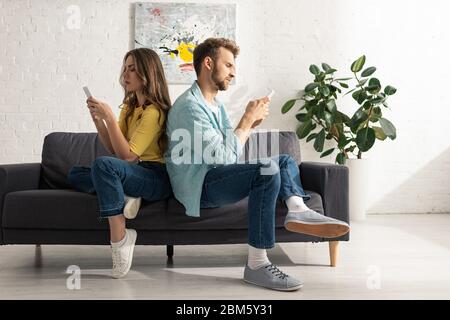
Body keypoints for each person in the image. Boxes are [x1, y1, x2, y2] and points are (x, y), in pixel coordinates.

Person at [165, 38, 350, 291]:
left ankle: (298, 208)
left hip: (214, 175)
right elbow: (223, 157)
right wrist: (246, 119)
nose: (233, 72)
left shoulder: (214, 105)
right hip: (199, 187)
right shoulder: (189, 107)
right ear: (208, 63)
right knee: (268, 170)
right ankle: (257, 264)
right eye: (228, 65)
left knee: (283, 161)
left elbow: (229, 151)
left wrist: (249, 125)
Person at [67, 48, 173, 279]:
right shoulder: (129, 108)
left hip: (155, 177)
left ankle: (120, 238)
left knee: (103, 166)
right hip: (134, 172)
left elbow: (127, 157)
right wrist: (100, 122)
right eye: (125, 68)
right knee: (76, 173)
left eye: (132, 69)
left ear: (148, 73)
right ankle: (123, 196)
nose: (125, 74)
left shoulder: (154, 112)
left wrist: (109, 118)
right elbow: (115, 149)